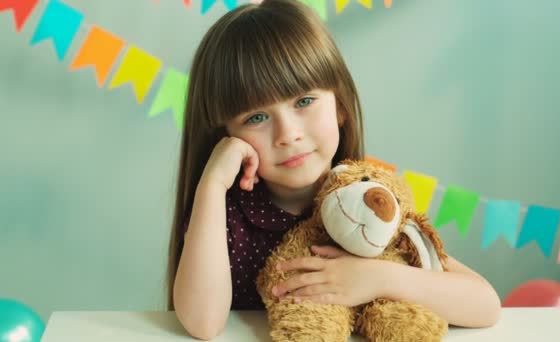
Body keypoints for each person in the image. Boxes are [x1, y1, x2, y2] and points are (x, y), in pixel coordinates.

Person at [166, 0, 501, 339]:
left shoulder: (368, 199)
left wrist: (379, 277)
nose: (288, 134)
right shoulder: (224, 215)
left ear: (339, 107)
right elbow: (203, 324)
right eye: (256, 118)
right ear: (227, 136)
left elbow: (485, 304)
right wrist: (212, 182)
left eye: (304, 102)